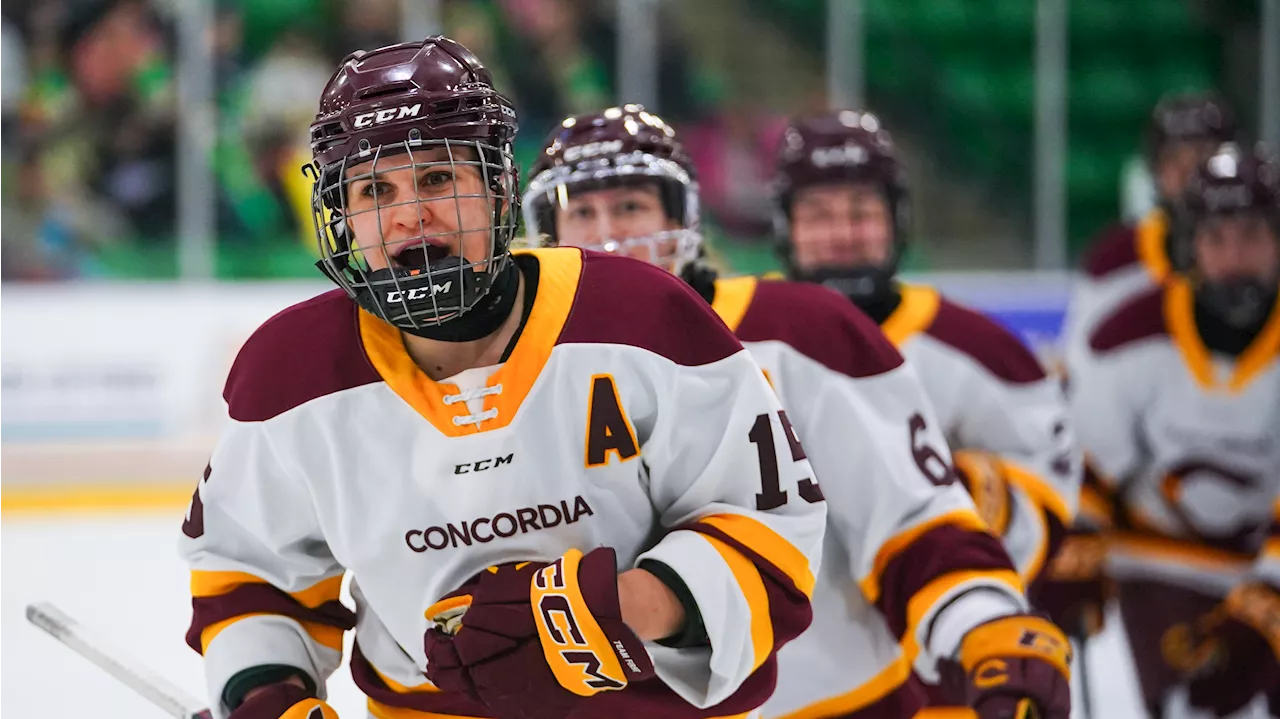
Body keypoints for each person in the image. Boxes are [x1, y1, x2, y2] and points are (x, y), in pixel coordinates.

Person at [179, 37, 828, 719]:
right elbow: (247, 567)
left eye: (436, 179)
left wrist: (619, 609)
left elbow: (769, 528)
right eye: (374, 189)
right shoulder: (290, 372)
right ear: (343, 218)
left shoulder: (644, 318)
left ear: (497, 189)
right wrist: (265, 690)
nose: (408, 215)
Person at [525, 104, 1073, 719]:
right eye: (584, 213)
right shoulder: (520, 378)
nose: (608, 238)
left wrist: (980, 623)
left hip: (838, 705)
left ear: (682, 219)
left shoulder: (798, 331)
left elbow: (911, 518)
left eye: (630, 207)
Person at [768, 109, 1083, 713]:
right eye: (819, 215)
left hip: (950, 675)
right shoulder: (739, 344)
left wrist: (974, 497)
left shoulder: (983, 350)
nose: (842, 233)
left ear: (897, 220)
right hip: (809, 679)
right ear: (785, 227)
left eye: (861, 212)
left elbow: (1051, 485)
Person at [1070, 142, 1280, 718]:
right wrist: (1075, 554)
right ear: (1191, 246)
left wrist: (1268, 609)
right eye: (1217, 239)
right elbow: (1087, 468)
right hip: (1158, 560)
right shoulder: (1127, 335)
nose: (1235, 257)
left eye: (1253, 237)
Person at [1062, 92, 1237, 379]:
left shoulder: (1266, 259)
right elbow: (1081, 370)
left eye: (1204, 156)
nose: (1190, 174)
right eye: (1175, 161)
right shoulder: (1112, 260)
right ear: (1154, 170)